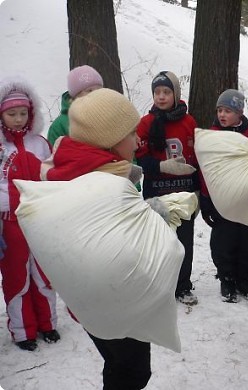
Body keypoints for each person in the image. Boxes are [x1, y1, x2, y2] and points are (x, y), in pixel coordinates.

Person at [42, 88, 153, 389]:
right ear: (110, 141)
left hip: (88, 300)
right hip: (114, 300)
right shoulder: (105, 185)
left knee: (118, 365)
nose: (137, 140)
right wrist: (156, 217)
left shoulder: (73, 170)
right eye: (131, 133)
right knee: (133, 371)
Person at [0, 76, 60, 351]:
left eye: (23, 113)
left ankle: (48, 323)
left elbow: (52, 176)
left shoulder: (40, 144)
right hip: (10, 224)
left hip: (40, 222)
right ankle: (23, 331)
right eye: (12, 114)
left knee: (44, 275)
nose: (18, 119)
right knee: (16, 278)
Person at [135, 71, 199, 306]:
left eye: (166, 92)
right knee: (158, 241)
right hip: (157, 192)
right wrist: (161, 165)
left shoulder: (189, 121)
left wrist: (198, 190)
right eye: (157, 92)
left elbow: (196, 159)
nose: (161, 97)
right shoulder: (146, 123)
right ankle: (160, 286)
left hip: (184, 193)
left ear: (176, 94)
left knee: (184, 241)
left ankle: (183, 285)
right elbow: (139, 159)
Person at [199, 89, 248, 303]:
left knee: (247, 244)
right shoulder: (211, 135)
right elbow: (206, 169)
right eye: (220, 110)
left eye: (228, 110)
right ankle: (226, 278)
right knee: (222, 243)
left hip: (246, 202)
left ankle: (243, 279)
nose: (222, 115)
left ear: (240, 112)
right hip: (221, 201)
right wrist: (205, 201)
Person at [47, 65, 104, 146]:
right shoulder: (60, 125)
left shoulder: (109, 116)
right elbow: (55, 154)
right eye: (89, 90)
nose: (95, 94)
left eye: (99, 90)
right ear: (75, 95)